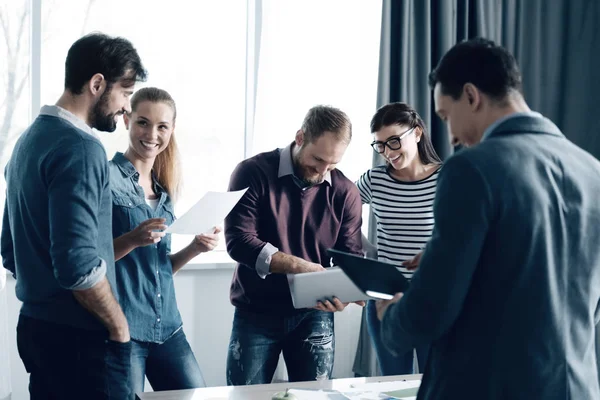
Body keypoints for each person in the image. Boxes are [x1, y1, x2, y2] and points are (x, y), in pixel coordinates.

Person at [376, 37, 600, 399]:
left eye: (446, 116)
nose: (451, 136)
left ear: (470, 95)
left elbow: (430, 312)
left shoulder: (471, 169)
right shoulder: (593, 171)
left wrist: (390, 315)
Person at [1, 33, 146, 399]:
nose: (126, 109)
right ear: (97, 84)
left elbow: (9, 249)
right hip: (82, 341)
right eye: (125, 94)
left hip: (36, 328)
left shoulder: (28, 141)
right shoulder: (82, 148)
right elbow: (78, 264)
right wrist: (119, 327)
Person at [224, 105, 364, 385]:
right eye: (318, 159)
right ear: (300, 137)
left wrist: (346, 294)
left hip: (315, 314)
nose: (324, 170)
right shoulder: (252, 172)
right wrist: (301, 267)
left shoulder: (346, 191)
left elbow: (350, 257)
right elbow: (238, 241)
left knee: (315, 397)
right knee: (244, 397)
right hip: (256, 311)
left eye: (333, 164)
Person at [109, 87, 220, 393]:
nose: (152, 134)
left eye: (162, 126)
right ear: (127, 120)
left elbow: (158, 270)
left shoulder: (164, 194)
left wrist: (195, 249)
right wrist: (132, 239)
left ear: (172, 130)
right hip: (124, 331)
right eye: (143, 122)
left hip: (168, 328)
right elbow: (93, 259)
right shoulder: (106, 179)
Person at [356, 102, 441, 375]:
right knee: (393, 385)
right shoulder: (375, 179)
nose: (388, 152)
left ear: (416, 133)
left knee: (435, 386)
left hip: (433, 297)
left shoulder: (448, 177)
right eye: (380, 145)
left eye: (394, 141)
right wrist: (365, 249)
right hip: (385, 296)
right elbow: (337, 212)